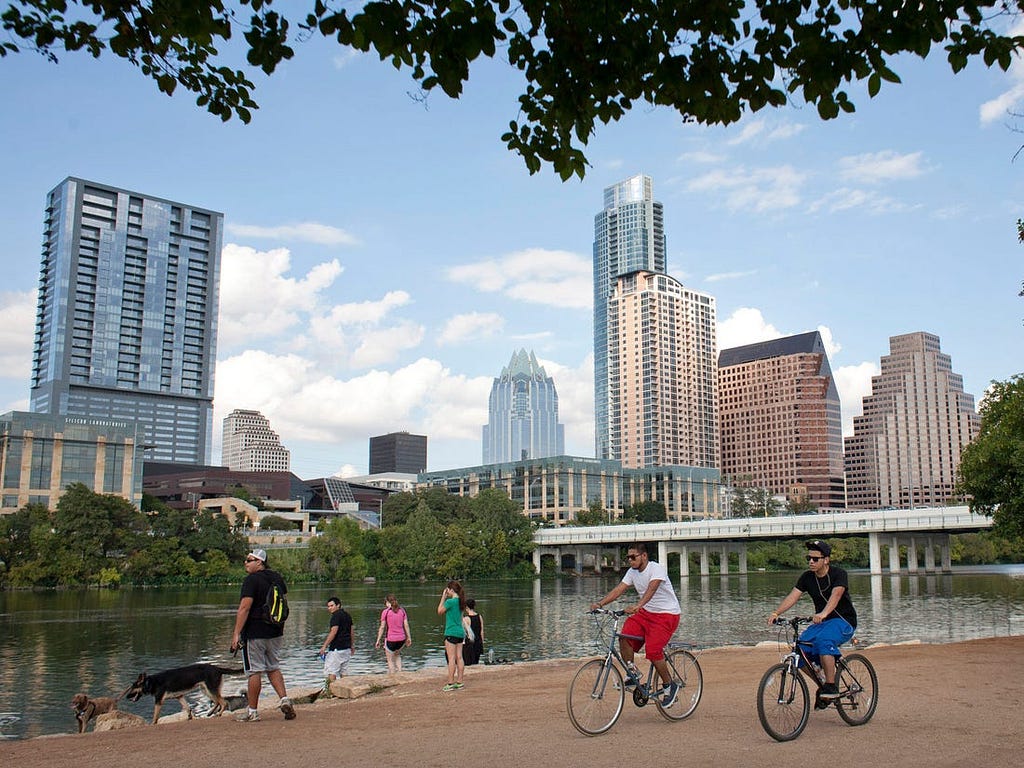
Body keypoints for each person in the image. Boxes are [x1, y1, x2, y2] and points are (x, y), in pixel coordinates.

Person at [590, 542, 681, 707]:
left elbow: (651, 589)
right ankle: (632, 672)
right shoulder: (632, 572)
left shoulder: (656, 569)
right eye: (628, 558)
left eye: (633, 557)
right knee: (624, 637)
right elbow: (619, 590)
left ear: (644, 556)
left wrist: (638, 606)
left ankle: (670, 685)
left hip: (667, 614)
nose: (630, 561)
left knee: (653, 651)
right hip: (646, 613)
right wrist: (600, 604)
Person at [767, 539, 858, 699]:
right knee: (799, 648)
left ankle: (831, 686)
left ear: (826, 560)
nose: (811, 562)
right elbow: (793, 597)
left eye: (815, 559)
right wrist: (776, 613)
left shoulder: (839, 574)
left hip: (843, 621)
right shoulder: (807, 577)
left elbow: (836, 596)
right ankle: (822, 684)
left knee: (823, 641)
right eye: (808, 558)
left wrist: (823, 614)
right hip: (822, 623)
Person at [230, 548, 296, 722]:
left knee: (254, 672)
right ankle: (284, 699)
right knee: (273, 666)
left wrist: (236, 633)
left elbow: (244, 608)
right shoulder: (276, 577)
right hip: (275, 630)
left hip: (254, 632)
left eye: (249, 560)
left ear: (259, 562)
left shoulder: (251, 580)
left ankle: (252, 711)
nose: (246, 563)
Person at [317, 596, 354, 695]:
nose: (330, 608)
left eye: (332, 606)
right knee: (344, 672)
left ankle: (331, 692)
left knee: (331, 671)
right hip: (346, 648)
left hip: (336, 648)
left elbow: (333, 632)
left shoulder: (335, 616)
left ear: (338, 605)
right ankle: (346, 691)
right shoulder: (347, 615)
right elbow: (351, 632)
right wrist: (352, 645)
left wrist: (324, 646)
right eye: (328, 606)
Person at [437, 580, 466, 691]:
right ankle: (460, 681)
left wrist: (443, 598)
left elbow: (439, 611)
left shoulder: (450, 602)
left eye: (448, 589)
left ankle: (450, 683)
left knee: (451, 658)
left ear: (451, 590)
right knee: (459, 657)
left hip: (451, 632)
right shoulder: (461, 602)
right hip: (460, 632)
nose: (447, 591)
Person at [375, 594, 411, 674]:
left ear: (388, 603)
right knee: (397, 655)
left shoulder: (385, 612)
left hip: (391, 639)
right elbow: (406, 625)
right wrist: (409, 637)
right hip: (401, 639)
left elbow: (382, 627)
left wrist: (378, 640)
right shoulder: (402, 610)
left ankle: (393, 676)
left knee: (390, 660)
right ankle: (400, 672)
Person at [462, 598, 484, 666]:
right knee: (476, 662)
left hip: (470, 644)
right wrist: (482, 642)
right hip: (478, 642)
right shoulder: (479, 616)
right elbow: (482, 631)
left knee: (469, 662)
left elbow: (464, 633)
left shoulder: (466, 619)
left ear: (467, 607)